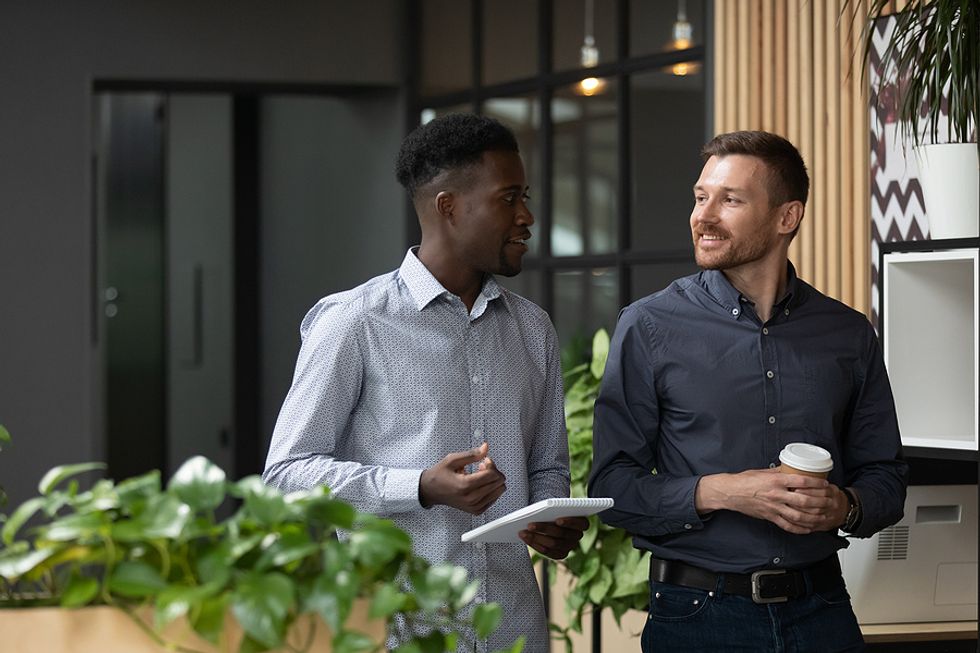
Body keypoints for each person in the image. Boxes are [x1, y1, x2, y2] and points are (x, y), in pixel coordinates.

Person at [263, 113, 588, 653]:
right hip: (398, 632)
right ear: (449, 207)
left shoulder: (533, 328)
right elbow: (286, 477)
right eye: (509, 198)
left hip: (514, 631)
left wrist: (550, 517)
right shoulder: (353, 322)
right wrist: (418, 487)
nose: (527, 215)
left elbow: (548, 466)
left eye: (524, 196)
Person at [589, 130, 908, 652]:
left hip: (824, 612)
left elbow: (887, 478)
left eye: (730, 200)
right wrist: (727, 492)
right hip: (697, 617)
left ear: (788, 217)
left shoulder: (848, 334)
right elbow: (611, 488)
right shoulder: (647, 326)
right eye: (700, 197)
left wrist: (844, 507)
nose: (704, 216)